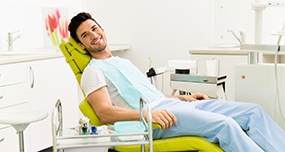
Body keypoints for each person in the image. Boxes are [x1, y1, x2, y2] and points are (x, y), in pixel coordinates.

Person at [68, 12, 285, 152]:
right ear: (81, 45)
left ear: (102, 29)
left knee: (253, 112)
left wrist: (183, 97)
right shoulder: (93, 71)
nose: (93, 35)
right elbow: (105, 113)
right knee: (225, 125)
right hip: (153, 121)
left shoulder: (122, 62)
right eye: (85, 35)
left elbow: (152, 95)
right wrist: (147, 114)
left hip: (172, 105)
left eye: (94, 28)